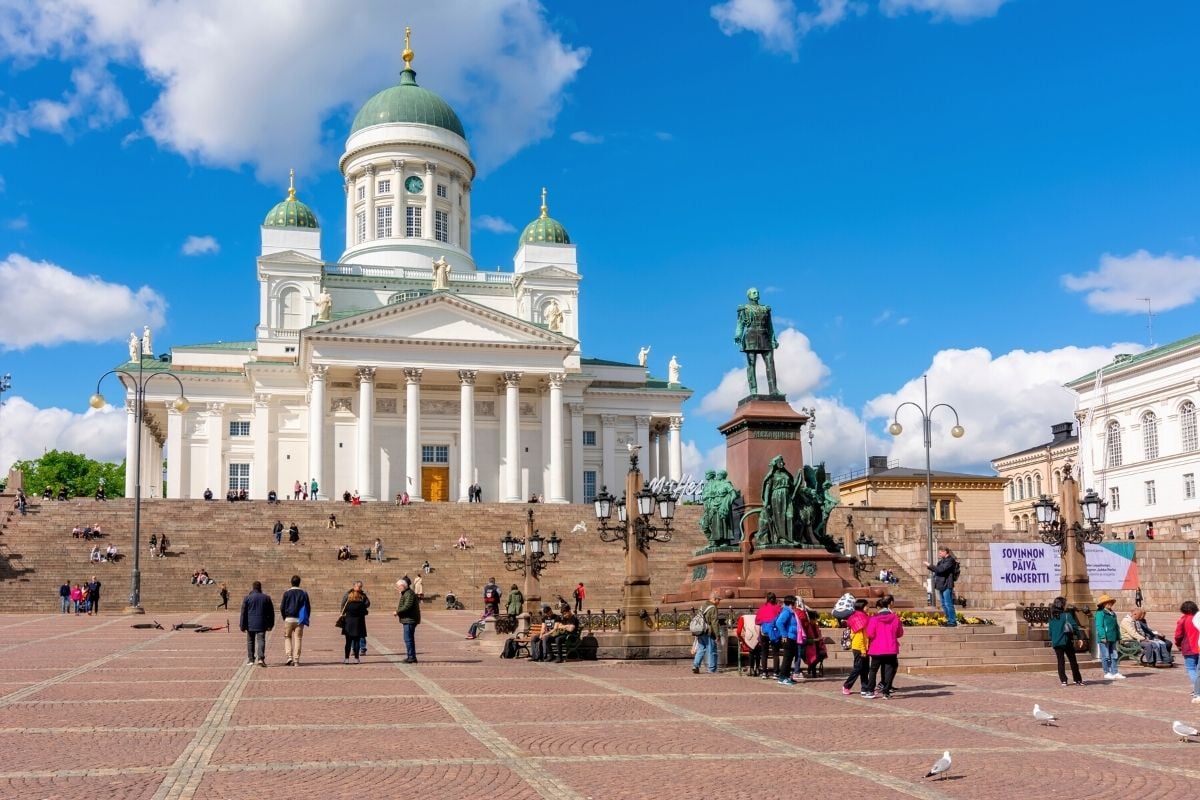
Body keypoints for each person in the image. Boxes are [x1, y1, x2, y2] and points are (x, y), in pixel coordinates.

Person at [863, 594, 904, 699]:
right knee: (889, 670)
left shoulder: (874, 618)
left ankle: (870, 691)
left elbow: (870, 633)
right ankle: (886, 692)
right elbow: (899, 633)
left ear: (878, 608)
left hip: (876, 648)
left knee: (873, 670)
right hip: (890, 648)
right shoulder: (895, 618)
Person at [1048, 596, 1085, 686]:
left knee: (1060, 662)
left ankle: (1063, 680)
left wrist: (1053, 639)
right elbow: (1075, 627)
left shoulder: (1051, 617)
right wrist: (1080, 638)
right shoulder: (1067, 615)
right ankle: (1077, 679)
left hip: (1056, 642)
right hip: (1066, 641)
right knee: (1073, 661)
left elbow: (1050, 631)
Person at [239, 581, 275, 667]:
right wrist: (271, 624)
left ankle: (251, 659)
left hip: (250, 623)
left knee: (250, 641)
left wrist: (242, 625)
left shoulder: (247, 598)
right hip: (262, 623)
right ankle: (261, 658)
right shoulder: (266, 598)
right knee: (261, 640)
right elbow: (271, 613)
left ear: (253, 587)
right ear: (260, 587)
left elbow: (243, 613)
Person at [279, 575, 311, 667]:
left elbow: (282, 607)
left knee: (287, 637)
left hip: (288, 618)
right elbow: (308, 607)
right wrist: (306, 617)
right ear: (299, 582)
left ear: (291, 582)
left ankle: (289, 657)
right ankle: (296, 659)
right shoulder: (304, 593)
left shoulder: (287, 593)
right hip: (299, 619)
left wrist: (284, 617)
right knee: (298, 638)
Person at [841, 599, 871, 695]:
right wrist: (863, 650)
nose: (868, 608)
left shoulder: (862, 616)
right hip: (859, 647)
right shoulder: (859, 618)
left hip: (864, 647)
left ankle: (864, 688)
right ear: (862, 607)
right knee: (858, 668)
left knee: (865, 668)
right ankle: (846, 685)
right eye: (867, 606)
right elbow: (860, 636)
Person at [925, 547, 959, 626]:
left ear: (945, 552)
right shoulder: (941, 561)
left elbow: (941, 569)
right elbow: (937, 570)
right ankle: (948, 620)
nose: (939, 554)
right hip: (941, 584)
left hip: (947, 584)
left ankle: (952, 621)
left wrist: (930, 565)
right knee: (943, 604)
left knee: (948, 603)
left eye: (940, 552)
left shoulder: (950, 561)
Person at [1174, 601, 1200, 701]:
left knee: (1191, 668)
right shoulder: (1198, 617)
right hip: (1198, 646)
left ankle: (1197, 689)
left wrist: (1178, 644)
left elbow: (1178, 634)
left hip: (1189, 646)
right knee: (1198, 669)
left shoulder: (1183, 619)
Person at [691, 593, 721, 675]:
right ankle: (712, 669)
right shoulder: (713, 608)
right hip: (708, 631)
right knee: (712, 650)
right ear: (714, 599)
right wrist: (717, 635)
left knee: (701, 648)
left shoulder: (703, 605)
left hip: (700, 631)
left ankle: (696, 665)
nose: (719, 602)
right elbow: (714, 622)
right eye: (719, 600)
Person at [1095, 593, 1123, 679]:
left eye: (1110, 602)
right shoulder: (1100, 613)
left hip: (1113, 637)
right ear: (1103, 604)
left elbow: (1116, 626)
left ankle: (1114, 671)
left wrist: (1119, 636)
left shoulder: (1113, 613)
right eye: (1107, 602)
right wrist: (1103, 636)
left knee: (1114, 655)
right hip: (1105, 638)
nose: (1110, 604)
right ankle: (1106, 672)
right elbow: (1099, 626)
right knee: (1106, 656)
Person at [773, 596, 800, 685]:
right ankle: (782, 677)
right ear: (792, 604)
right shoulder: (787, 612)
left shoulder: (791, 612)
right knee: (787, 658)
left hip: (792, 637)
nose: (797, 604)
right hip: (788, 637)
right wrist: (784, 634)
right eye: (795, 603)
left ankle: (787, 676)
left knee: (790, 658)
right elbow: (779, 622)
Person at [755, 593, 782, 679]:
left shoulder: (762, 608)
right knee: (776, 653)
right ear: (775, 599)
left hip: (764, 632)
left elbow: (757, 621)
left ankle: (764, 673)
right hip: (775, 632)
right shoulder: (778, 608)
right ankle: (775, 673)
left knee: (764, 653)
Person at [341, 584, 369, 664]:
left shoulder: (348, 604)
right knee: (357, 642)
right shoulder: (361, 605)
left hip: (348, 625)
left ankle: (346, 659)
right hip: (358, 625)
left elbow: (343, 611)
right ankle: (356, 658)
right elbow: (366, 612)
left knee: (348, 643)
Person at [395, 578, 421, 663]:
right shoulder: (406, 593)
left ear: (402, 586)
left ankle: (411, 657)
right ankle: (411, 656)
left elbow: (407, 606)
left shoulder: (409, 593)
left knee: (408, 639)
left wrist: (397, 612)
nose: (397, 588)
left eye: (398, 587)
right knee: (409, 638)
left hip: (410, 619)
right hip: (408, 619)